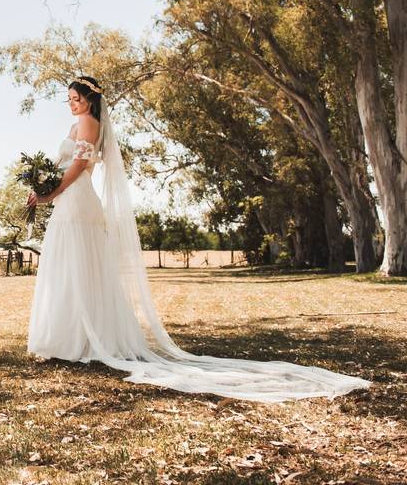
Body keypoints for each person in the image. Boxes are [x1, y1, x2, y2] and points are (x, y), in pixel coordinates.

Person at [25, 76, 370, 402]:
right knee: (70, 269)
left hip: (77, 202)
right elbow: (64, 170)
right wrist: (45, 190)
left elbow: (74, 170)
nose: (71, 104)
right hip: (71, 202)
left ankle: (78, 341)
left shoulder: (88, 123)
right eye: (68, 100)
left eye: (76, 99)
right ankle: (70, 338)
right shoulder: (78, 124)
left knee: (77, 268)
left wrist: (46, 195)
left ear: (90, 101)